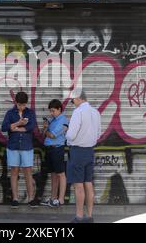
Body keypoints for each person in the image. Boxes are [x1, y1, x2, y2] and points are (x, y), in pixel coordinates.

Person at [66, 90, 101, 223]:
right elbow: (98, 134)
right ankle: (89, 216)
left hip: (77, 151)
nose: (72, 103)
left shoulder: (78, 112)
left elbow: (71, 134)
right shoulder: (96, 112)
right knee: (88, 183)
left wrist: (67, 136)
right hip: (89, 151)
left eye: (72, 100)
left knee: (78, 185)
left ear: (78, 98)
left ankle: (79, 217)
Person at [1, 91, 39, 208]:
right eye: (20, 105)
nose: (22, 107)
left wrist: (15, 128)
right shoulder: (10, 113)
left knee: (28, 172)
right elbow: (4, 127)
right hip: (13, 146)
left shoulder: (30, 113)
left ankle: (31, 198)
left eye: (24, 105)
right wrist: (19, 123)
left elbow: (31, 127)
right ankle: (15, 198)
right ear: (16, 102)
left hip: (27, 146)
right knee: (14, 172)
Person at [40, 99, 68, 207]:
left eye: (53, 111)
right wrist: (46, 128)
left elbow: (52, 135)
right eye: (50, 111)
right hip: (50, 149)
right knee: (53, 175)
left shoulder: (63, 121)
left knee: (61, 174)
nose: (51, 113)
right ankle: (53, 198)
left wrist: (46, 130)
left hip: (57, 149)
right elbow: (45, 134)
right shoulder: (53, 120)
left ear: (59, 109)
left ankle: (60, 200)